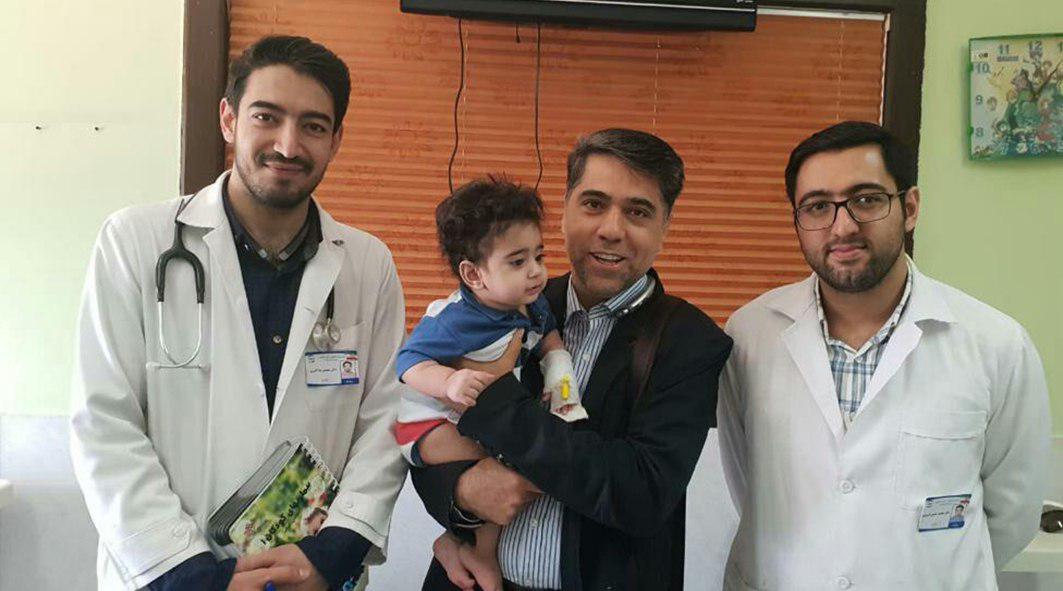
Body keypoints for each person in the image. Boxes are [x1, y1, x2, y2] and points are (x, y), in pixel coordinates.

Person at [69, 35, 407, 590]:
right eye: (266, 117)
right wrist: (190, 574)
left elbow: (385, 420)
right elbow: (104, 423)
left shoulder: (368, 265)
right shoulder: (134, 241)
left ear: (336, 140)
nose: (288, 145)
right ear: (229, 119)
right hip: (172, 576)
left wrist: (333, 553)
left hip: (309, 575)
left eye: (313, 125)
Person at [705, 121, 1050, 590]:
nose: (843, 226)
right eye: (818, 206)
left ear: (910, 208)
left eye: (866, 199)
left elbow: (1012, 512)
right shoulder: (751, 334)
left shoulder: (996, 344)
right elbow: (745, 482)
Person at [411, 128, 733, 590]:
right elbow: (426, 429)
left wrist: (496, 399)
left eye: (638, 211)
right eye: (594, 203)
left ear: (665, 227)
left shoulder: (692, 343)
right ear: (563, 212)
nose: (611, 229)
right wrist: (461, 492)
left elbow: (640, 494)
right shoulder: (504, 304)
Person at [395, 177, 586, 591]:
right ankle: (479, 554)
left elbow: (549, 336)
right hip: (426, 423)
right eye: (517, 262)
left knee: (511, 459)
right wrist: (449, 380)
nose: (536, 272)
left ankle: (457, 543)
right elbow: (407, 362)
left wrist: (559, 367)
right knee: (505, 463)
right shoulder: (453, 320)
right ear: (473, 274)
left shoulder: (529, 302)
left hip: (471, 417)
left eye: (539, 255)